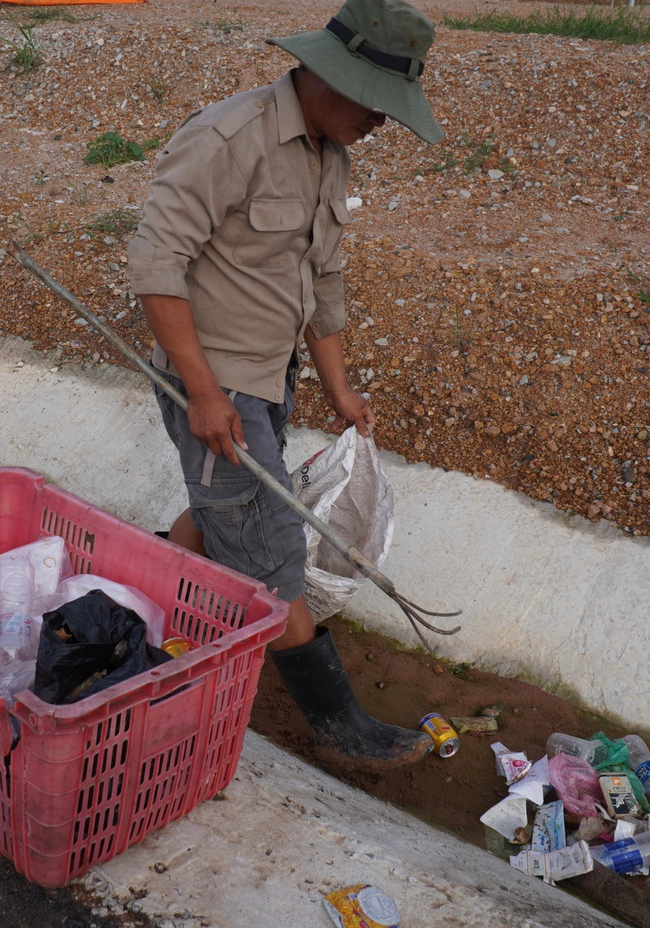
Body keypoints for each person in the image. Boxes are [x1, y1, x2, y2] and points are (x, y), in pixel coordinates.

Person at [127, 0, 442, 768]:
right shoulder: (229, 138)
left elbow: (321, 282)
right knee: (269, 553)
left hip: (271, 376)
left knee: (227, 508)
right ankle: (340, 729)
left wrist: (339, 389)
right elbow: (156, 265)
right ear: (334, 77)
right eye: (377, 105)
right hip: (215, 379)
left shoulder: (331, 153)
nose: (381, 122)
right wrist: (203, 393)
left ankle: (144, 607)